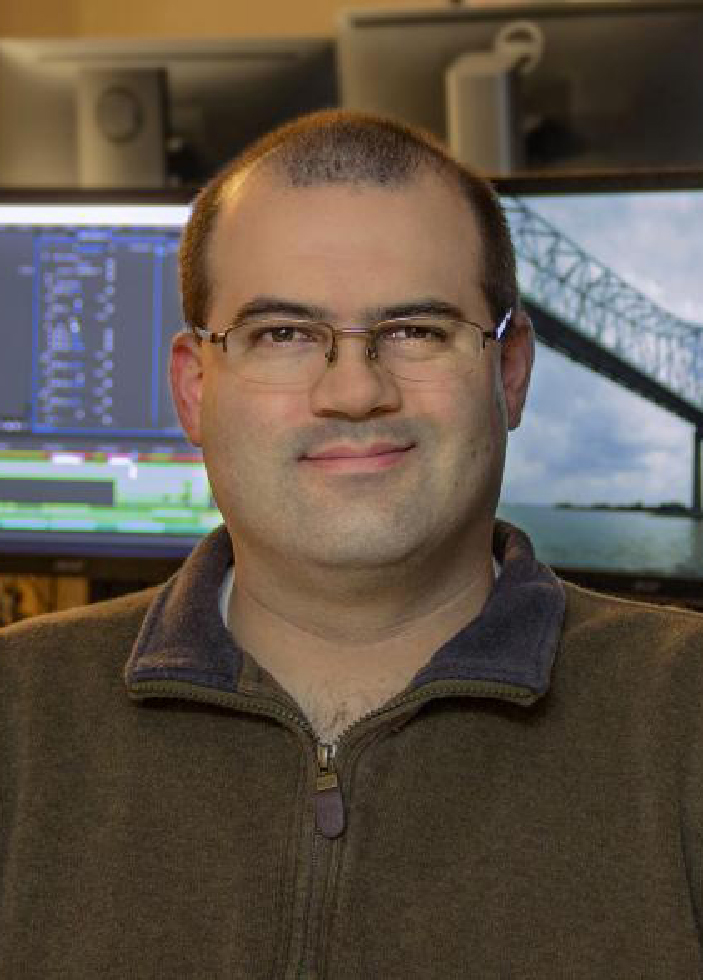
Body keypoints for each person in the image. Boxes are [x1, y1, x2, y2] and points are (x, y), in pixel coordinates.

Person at [0, 110, 701, 979]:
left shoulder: (684, 713)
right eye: (282, 335)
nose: (355, 390)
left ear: (510, 371)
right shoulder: (17, 713)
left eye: (415, 330)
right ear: (193, 389)